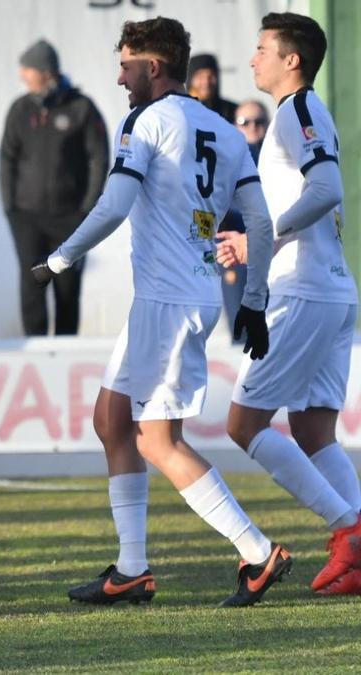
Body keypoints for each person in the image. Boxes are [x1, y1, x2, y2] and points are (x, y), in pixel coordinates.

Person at [33, 16, 290, 608]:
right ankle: (131, 569)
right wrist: (251, 301)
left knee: (156, 441)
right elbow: (259, 222)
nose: (119, 77)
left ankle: (257, 551)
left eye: (126, 65)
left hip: (168, 304)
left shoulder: (146, 120)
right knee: (111, 420)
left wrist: (61, 259)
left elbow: (115, 203)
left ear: (152, 66)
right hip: (179, 298)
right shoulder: (224, 130)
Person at [216, 12, 361, 596]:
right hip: (331, 288)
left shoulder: (297, 110)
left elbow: (328, 189)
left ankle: (347, 528)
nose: (253, 59)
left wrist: (264, 236)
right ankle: (357, 550)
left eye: (262, 49)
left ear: (291, 60)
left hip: (306, 288)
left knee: (243, 423)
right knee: (312, 428)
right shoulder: (300, 113)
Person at [0, 39, 108, 335]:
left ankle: (65, 350)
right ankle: (33, 351)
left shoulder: (81, 108)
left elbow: (99, 158)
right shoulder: (20, 109)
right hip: (27, 216)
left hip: (71, 217)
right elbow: (7, 159)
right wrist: (11, 208)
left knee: (68, 287)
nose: (23, 76)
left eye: (28, 70)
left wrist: (87, 210)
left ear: (46, 72)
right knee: (32, 284)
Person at [218, 100, 270, 335]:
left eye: (259, 121)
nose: (252, 127)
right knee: (240, 328)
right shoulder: (226, 159)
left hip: (269, 248)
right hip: (235, 248)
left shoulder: (278, 157)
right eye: (244, 122)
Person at [188, 53, 238, 123]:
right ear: (190, 79)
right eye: (200, 76)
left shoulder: (232, 112)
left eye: (211, 76)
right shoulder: (181, 111)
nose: (206, 82)